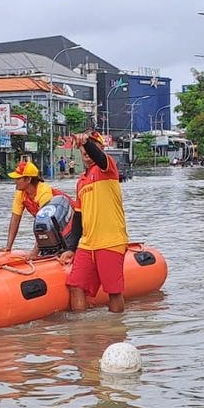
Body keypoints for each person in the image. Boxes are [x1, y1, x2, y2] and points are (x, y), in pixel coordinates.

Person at [58, 132, 129, 313]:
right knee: (75, 286)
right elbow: (78, 217)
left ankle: (116, 333)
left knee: (113, 292)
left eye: (92, 148)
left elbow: (99, 158)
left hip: (111, 240)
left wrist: (87, 142)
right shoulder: (81, 182)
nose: (88, 153)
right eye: (84, 150)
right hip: (88, 243)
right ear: (80, 152)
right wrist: (70, 248)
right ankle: (82, 335)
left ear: (100, 149)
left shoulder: (108, 168)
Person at [3, 160, 56, 254]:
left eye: (18, 178)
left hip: (61, 225)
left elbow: (45, 223)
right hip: (49, 227)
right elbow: (15, 219)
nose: (15, 181)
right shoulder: (20, 193)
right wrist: (8, 247)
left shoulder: (44, 192)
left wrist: (34, 253)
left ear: (28, 179)